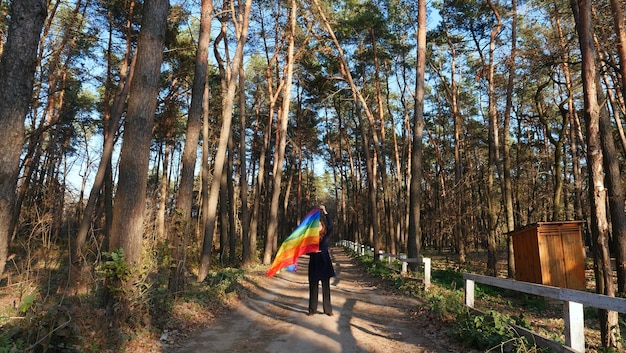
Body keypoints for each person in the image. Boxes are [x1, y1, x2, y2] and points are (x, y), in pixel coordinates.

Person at [307, 205, 335, 316]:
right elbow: (306, 251)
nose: (318, 226)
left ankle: (328, 310)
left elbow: (331, 225)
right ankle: (312, 310)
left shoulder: (325, 236)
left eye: (319, 225)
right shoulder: (310, 238)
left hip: (324, 264)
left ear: (322, 227)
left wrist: (325, 212)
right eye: (316, 225)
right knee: (313, 288)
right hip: (314, 263)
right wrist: (313, 252)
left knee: (326, 288)